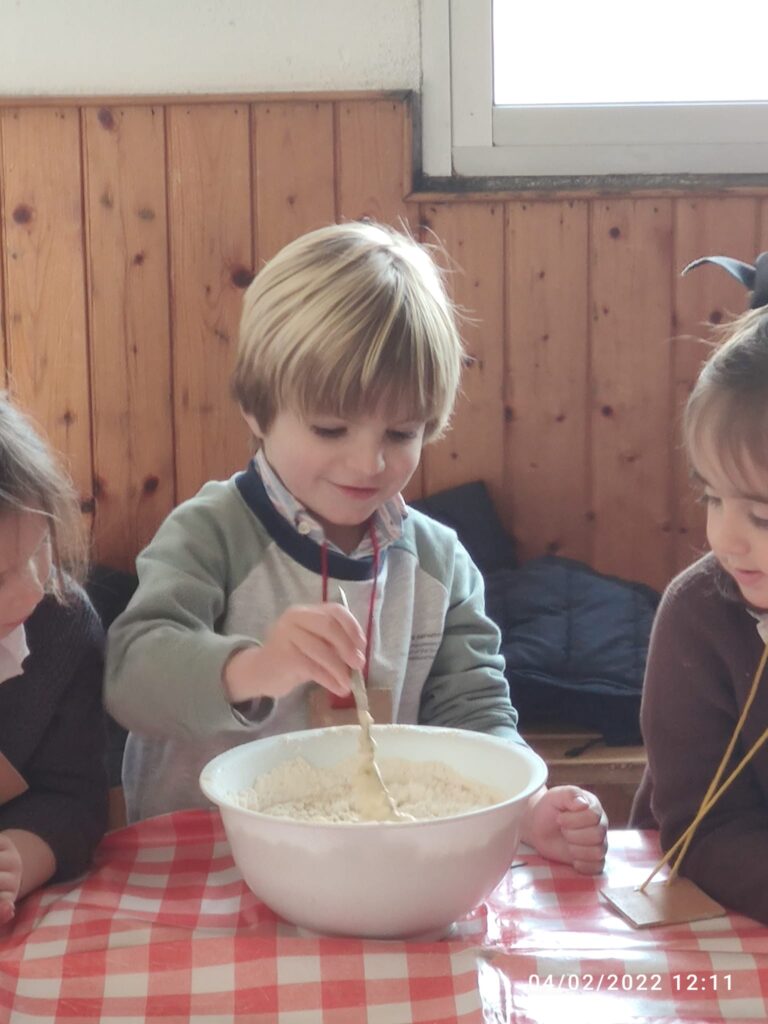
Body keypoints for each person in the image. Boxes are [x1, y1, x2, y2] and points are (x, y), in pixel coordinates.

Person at [105, 221, 607, 873]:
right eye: (330, 427)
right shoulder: (212, 533)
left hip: (379, 868)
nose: (368, 460)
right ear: (257, 411)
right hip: (204, 870)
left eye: (401, 432)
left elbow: (476, 714)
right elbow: (131, 674)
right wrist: (256, 667)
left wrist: (528, 806)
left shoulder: (439, 564)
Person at [631, 293, 768, 922]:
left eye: (762, 516)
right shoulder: (699, 618)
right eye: (712, 499)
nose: (726, 539)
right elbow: (701, 832)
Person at [0, 397, 108, 925]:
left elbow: (75, 799)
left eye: (40, 546)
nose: (30, 589)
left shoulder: (65, 627)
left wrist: (17, 860)